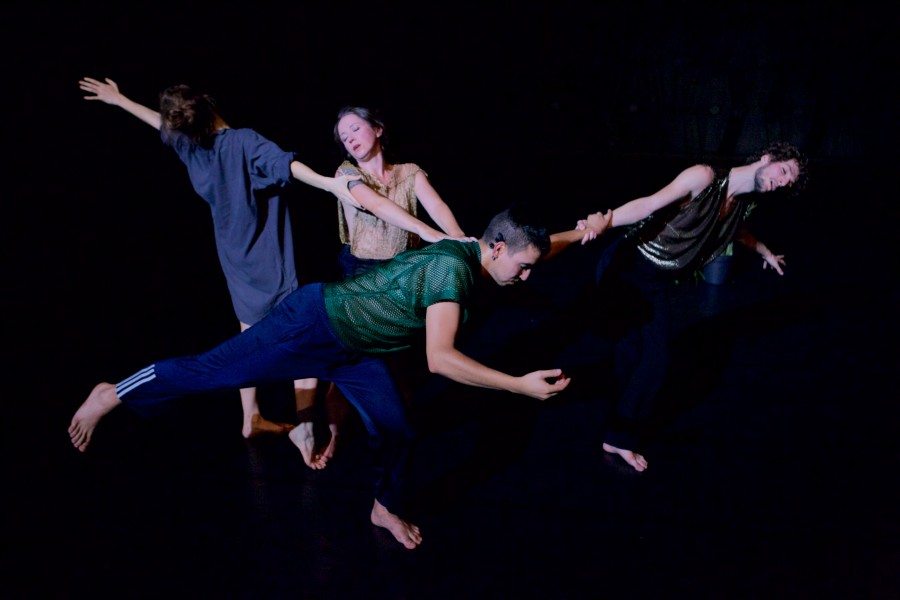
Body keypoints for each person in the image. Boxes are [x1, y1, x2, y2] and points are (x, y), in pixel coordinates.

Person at [68, 204, 607, 549]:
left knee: (400, 430)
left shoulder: (481, 249)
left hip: (357, 353)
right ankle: (112, 393)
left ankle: (383, 508)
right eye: (523, 267)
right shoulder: (453, 270)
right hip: (311, 325)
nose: (527, 277)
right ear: (496, 248)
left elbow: (540, 250)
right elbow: (440, 360)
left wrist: (583, 233)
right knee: (209, 372)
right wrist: (519, 386)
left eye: (531, 266)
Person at [77, 78, 464, 465]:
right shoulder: (241, 141)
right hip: (271, 263)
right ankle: (304, 423)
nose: (349, 139)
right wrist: (330, 184)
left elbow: (164, 125)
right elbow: (288, 167)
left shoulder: (191, 144)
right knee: (284, 349)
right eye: (344, 135)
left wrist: (120, 101)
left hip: (236, 259)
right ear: (208, 103)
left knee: (254, 340)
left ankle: (254, 417)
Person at [574, 141, 808, 472]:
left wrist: (766, 252)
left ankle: (616, 432)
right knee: (636, 354)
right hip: (627, 268)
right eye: (783, 171)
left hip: (656, 283)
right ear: (768, 158)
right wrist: (604, 222)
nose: (781, 182)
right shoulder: (704, 177)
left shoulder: (739, 205)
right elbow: (649, 204)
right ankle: (615, 432)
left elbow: (740, 234)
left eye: (787, 182)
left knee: (652, 359)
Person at [314, 105, 470, 466]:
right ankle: (334, 435)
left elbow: (437, 205)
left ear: (378, 129)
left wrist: (460, 239)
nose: (350, 139)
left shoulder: (409, 173)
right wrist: (430, 234)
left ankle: (400, 440)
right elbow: (377, 205)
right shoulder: (346, 174)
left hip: (401, 276)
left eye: (355, 129)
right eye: (344, 137)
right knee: (349, 365)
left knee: (399, 368)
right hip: (361, 277)